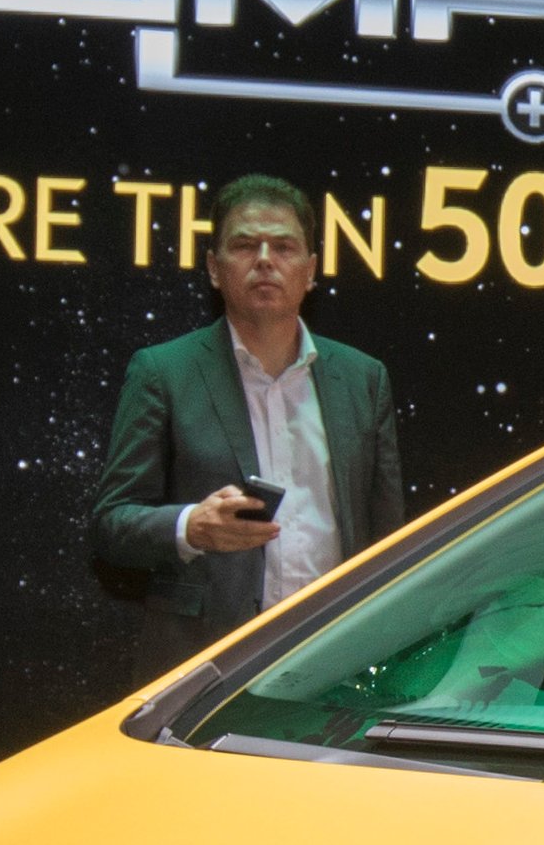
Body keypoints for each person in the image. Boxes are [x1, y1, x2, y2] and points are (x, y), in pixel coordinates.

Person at [87, 175, 404, 630]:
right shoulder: (164, 371)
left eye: (283, 247)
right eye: (244, 246)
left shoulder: (363, 379)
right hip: (208, 655)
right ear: (214, 268)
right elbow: (111, 525)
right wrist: (188, 526)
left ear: (311, 269)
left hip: (331, 648)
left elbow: (388, 536)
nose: (264, 261)